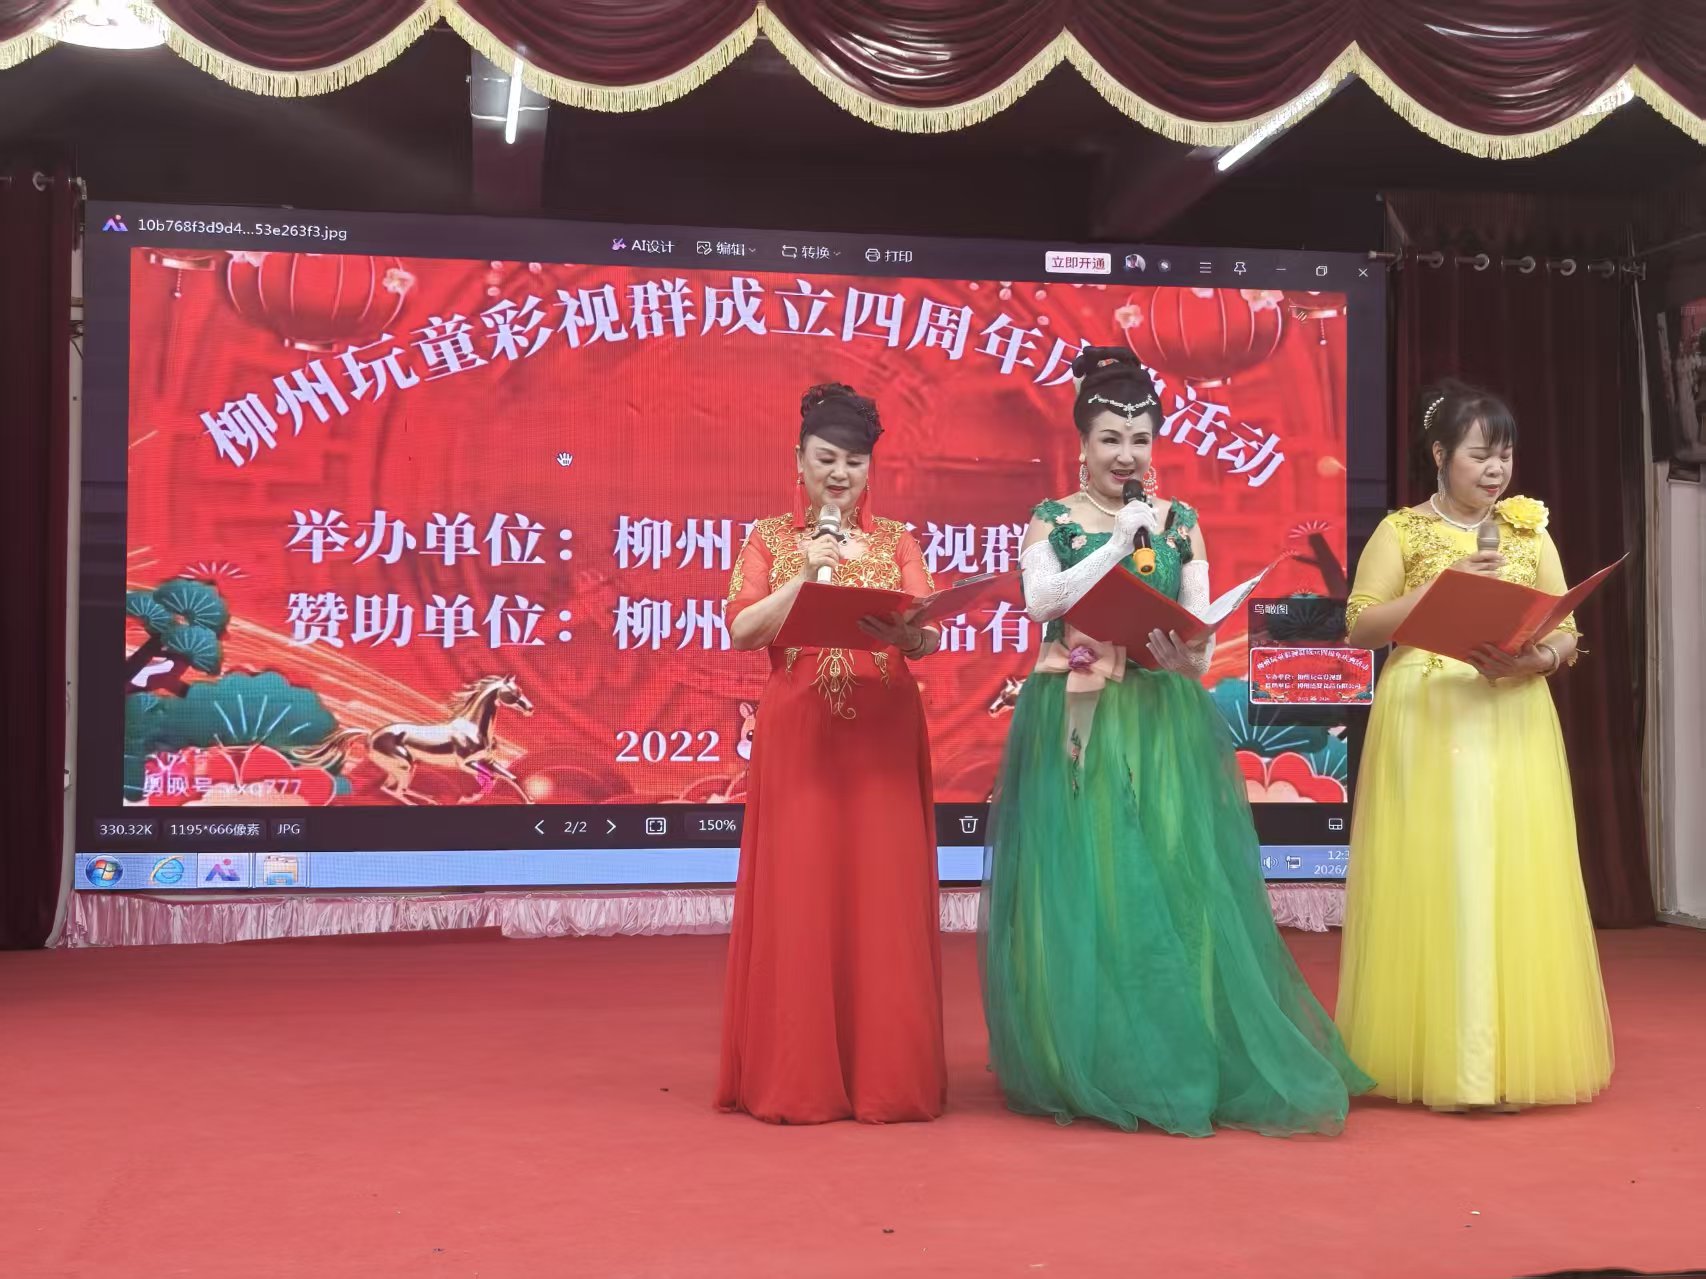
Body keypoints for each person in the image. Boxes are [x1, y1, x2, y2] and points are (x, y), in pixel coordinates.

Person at [979, 347, 1371, 1136]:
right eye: (1110, 439)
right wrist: (1118, 543)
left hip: (1159, 712)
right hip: (1079, 708)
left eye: (1140, 439)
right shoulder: (1053, 518)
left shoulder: (1181, 521)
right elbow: (1041, 600)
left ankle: (1175, 1048)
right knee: (1087, 875)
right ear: (1082, 442)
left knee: (1165, 875)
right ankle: (1087, 1055)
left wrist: (1189, 654)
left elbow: (1200, 626)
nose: (1126, 455)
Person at [1335, 378, 1613, 1112]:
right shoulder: (1401, 530)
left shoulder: (1529, 530)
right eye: (1480, 455)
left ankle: (1505, 1059)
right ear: (1439, 455)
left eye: (1505, 455)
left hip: (1510, 710)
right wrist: (1441, 589)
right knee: (1443, 872)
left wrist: (1538, 659)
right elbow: (1361, 626)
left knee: (1509, 871)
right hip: (1429, 712)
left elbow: (1568, 628)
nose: (1496, 470)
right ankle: (1450, 1061)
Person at [716, 382, 947, 1124]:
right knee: (802, 892)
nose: (840, 474)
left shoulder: (896, 541)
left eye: (854, 461)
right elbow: (742, 629)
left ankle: (887, 1076)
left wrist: (912, 634)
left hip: (883, 735)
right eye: (826, 458)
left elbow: (928, 627)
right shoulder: (769, 539)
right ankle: (799, 1076)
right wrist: (803, 578)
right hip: (802, 736)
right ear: (799, 460)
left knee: (883, 896)